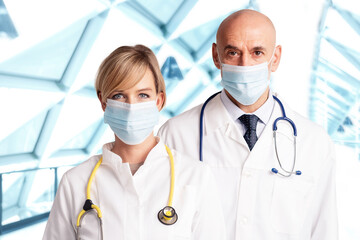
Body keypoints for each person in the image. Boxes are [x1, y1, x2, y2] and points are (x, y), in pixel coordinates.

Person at [158, 9, 338, 240]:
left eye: (257, 52)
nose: (244, 64)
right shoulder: (175, 135)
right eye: (233, 52)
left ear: (275, 58)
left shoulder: (313, 141)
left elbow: (325, 230)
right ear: (216, 56)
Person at [43, 45, 226, 240]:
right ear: (104, 102)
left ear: (159, 100)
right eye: (118, 96)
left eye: (143, 95)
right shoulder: (75, 182)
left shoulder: (195, 177)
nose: (131, 106)